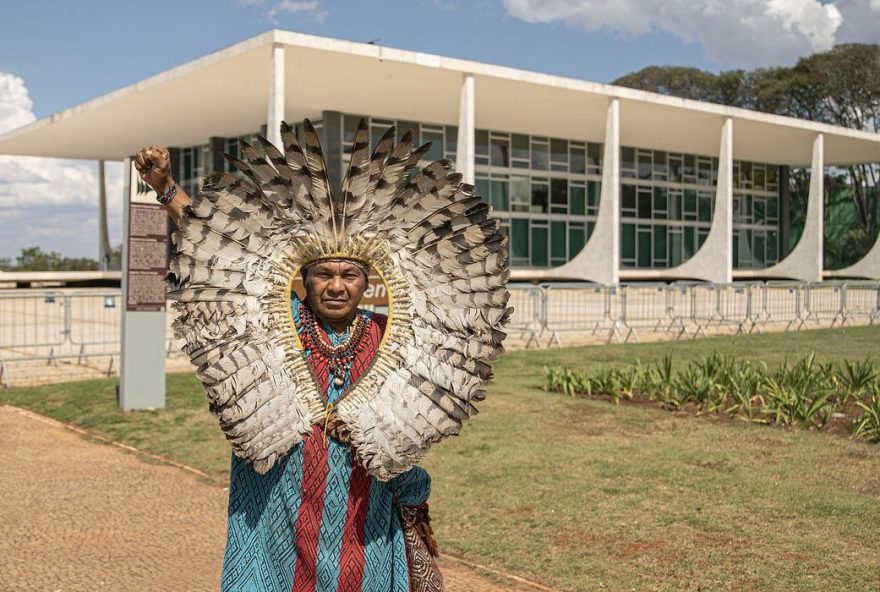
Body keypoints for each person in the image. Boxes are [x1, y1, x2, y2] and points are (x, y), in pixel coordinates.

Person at [134, 146, 436, 592]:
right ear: (305, 279)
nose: (336, 286)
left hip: (364, 520)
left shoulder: (393, 336)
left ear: (367, 281)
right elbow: (220, 256)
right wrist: (165, 187)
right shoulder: (275, 322)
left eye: (349, 275)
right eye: (323, 274)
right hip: (278, 515)